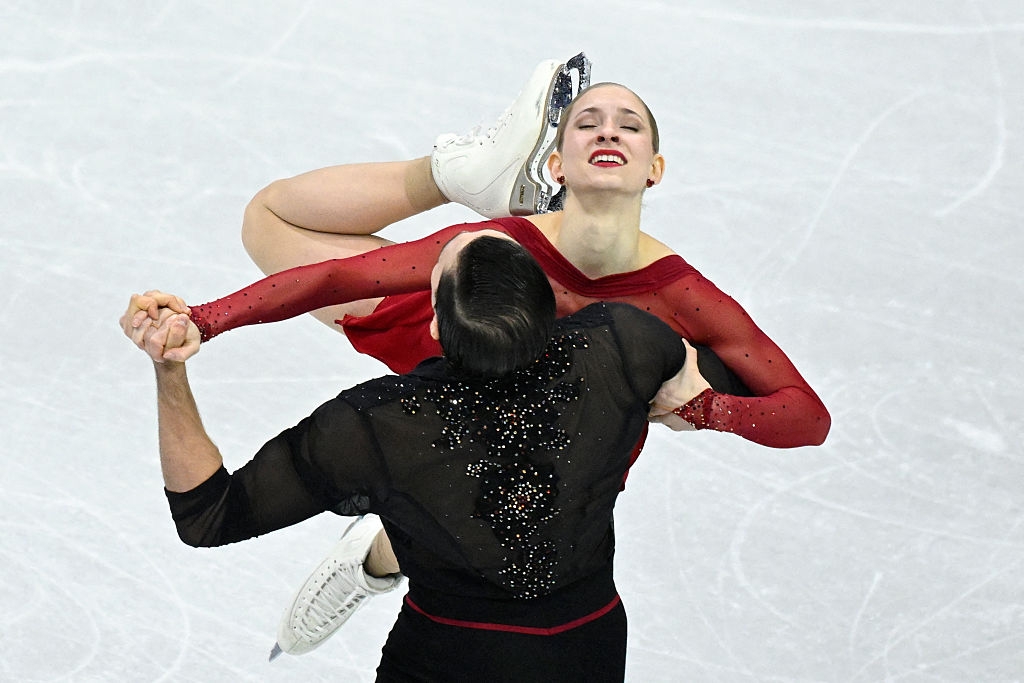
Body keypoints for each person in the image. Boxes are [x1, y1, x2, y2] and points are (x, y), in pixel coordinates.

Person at [125, 54, 830, 658]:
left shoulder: (681, 297)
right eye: (586, 121)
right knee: (269, 220)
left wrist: (708, 407)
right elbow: (336, 278)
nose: (607, 129)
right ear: (556, 162)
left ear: (656, 168)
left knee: (482, 519)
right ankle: (456, 170)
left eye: (629, 125)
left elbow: (804, 413)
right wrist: (208, 319)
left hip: (559, 436)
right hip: (457, 362)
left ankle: (372, 561)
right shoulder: (493, 252)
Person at [121, 232, 746, 681]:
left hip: (449, 657)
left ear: (440, 333)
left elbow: (207, 518)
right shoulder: (623, 344)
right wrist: (691, 397)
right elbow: (729, 375)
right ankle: (376, 554)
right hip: (587, 646)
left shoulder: (379, 424)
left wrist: (168, 371)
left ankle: (379, 552)